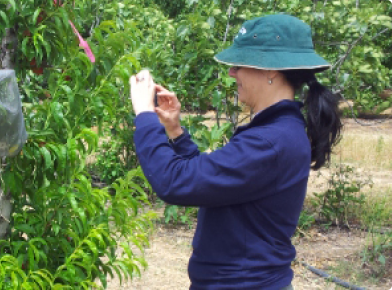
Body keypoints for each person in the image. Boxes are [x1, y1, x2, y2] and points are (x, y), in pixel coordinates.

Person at [129, 14, 343, 289]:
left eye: (239, 64)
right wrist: (176, 132)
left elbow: (175, 182)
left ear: (270, 70)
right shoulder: (276, 132)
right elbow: (211, 184)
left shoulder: (271, 142)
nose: (232, 73)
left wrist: (145, 115)